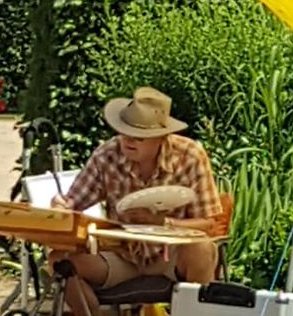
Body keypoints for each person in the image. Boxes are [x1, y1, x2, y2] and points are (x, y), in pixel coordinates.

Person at [49, 87, 223, 316]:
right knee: (59, 260)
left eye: (138, 137)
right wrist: (61, 205)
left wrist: (164, 223)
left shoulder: (190, 156)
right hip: (123, 255)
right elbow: (72, 203)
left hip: (170, 257)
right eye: (124, 133)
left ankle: (195, 312)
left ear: (160, 138)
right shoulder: (107, 155)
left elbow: (210, 224)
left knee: (202, 248)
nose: (128, 141)